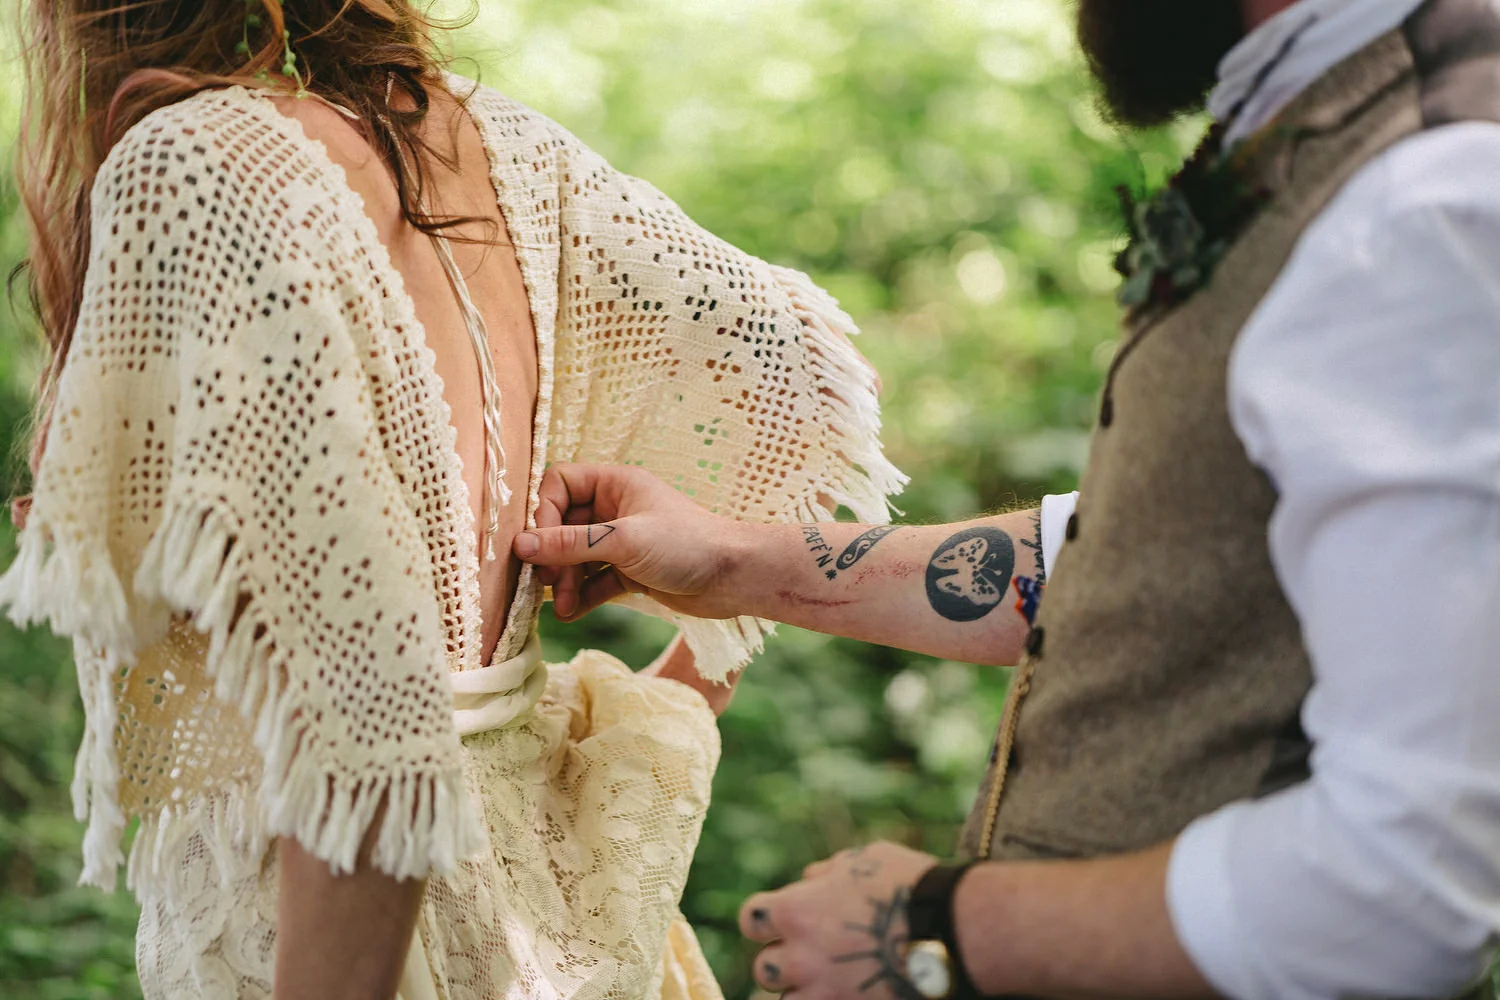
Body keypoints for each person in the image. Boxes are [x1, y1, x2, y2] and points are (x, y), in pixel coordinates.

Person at [516, 0, 1500, 997]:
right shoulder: (1338, 128)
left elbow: (1410, 884)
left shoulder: (1431, 199)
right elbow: (1157, 558)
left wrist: (938, 926)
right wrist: (733, 561)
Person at [0, 2, 908, 998]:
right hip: (561, 917)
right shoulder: (489, 140)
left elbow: (368, 725)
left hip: (334, 946)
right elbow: (810, 385)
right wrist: (680, 697)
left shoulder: (203, 161)